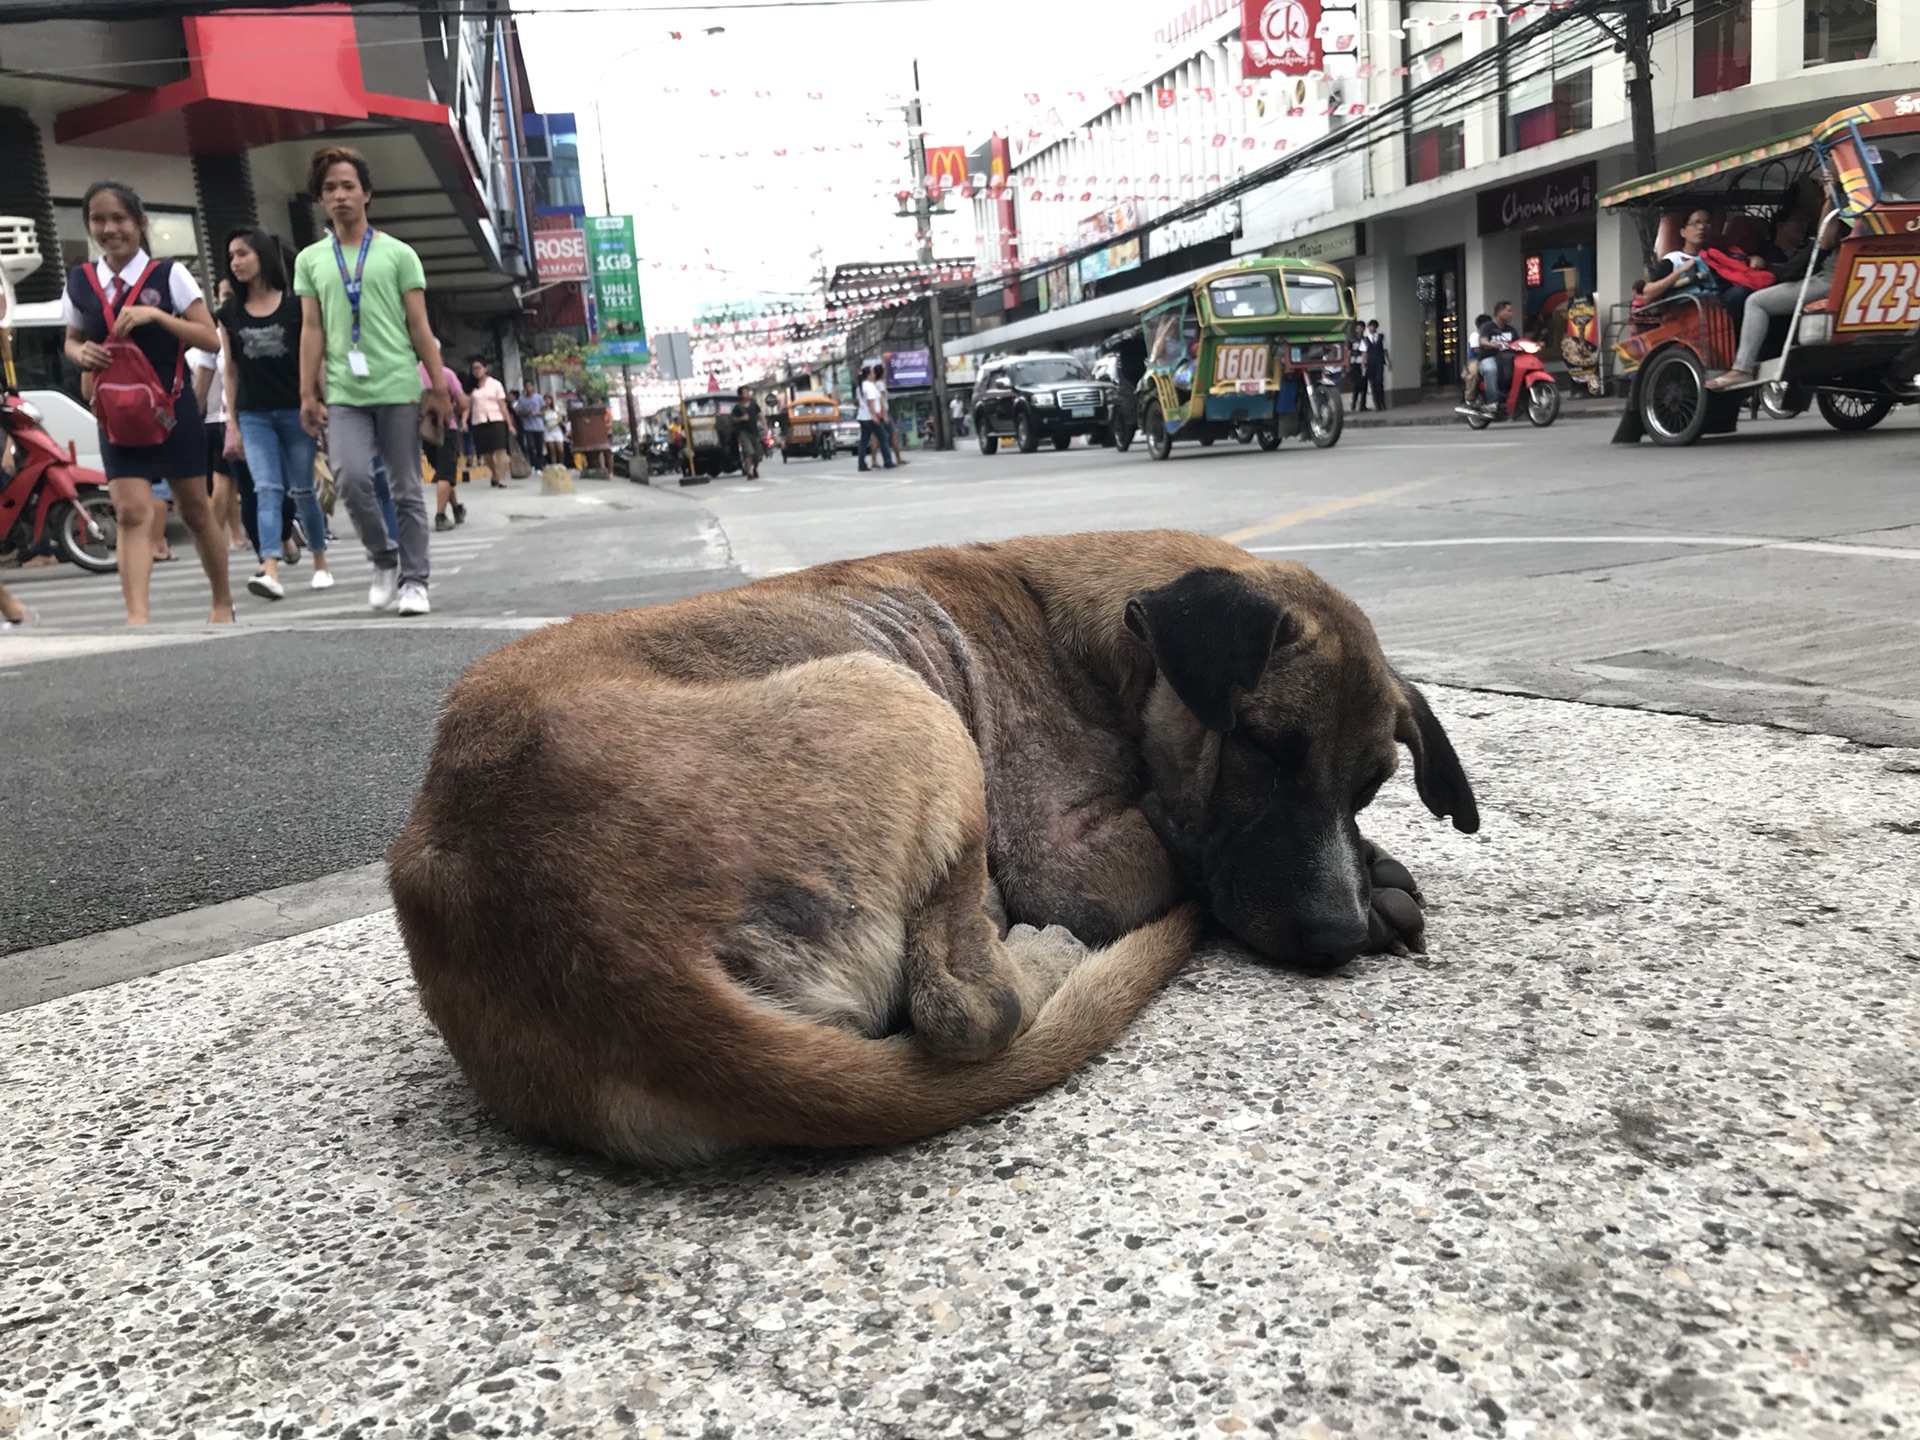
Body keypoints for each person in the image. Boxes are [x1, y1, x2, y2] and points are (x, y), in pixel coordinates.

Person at [61, 179, 234, 626]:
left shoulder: (168, 274)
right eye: (98, 220)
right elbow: (72, 340)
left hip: (171, 408)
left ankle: (221, 602)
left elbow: (208, 336)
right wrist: (82, 354)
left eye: (119, 218)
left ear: (140, 223)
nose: (109, 228)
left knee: (195, 509)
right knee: (131, 512)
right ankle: (137, 616)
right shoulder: (80, 280)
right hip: (115, 413)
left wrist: (157, 316)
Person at [295, 144, 452, 617]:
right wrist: (306, 391)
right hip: (344, 392)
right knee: (352, 478)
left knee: (406, 488)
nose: (339, 196)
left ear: (367, 193)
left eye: (348, 186)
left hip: (399, 387)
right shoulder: (311, 260)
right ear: (321, 199)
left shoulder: (398, 254)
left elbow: (419, 325)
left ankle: (415, 581)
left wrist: (439, 387)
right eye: (329, 188)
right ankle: (384, 559)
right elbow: (312, 328)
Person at [220, 227, 334, 601]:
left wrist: (321, 400)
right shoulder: (229, 313)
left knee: (302, 490)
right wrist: (233, 423)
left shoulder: (295, 306)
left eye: (243, 254)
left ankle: (320, 561)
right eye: (232, 255)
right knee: (266, 489)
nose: (235, 262)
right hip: (253, 415)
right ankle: (269, 569)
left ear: (263, 257)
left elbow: (313, 358)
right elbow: (231, 370)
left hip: (296, 410)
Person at [1709, 213, 1849, 389]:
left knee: (1755, 301)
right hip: (1861, 279)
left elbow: (1825, 241)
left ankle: (1742, 369)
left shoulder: (1850, 209)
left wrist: (1830, 197)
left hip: (1832, 281)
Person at [424, 355, 469, 530]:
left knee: (443, 472)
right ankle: (440, 516)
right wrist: (454, 408)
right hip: (446, 428)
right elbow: (463, 402)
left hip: (425, 431)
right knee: (445, 474)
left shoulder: (412, 374)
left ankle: (457, 509)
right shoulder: (445, 373)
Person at [1641, 209, 1718, 303]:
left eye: (1707, 223)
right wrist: (1680, 271)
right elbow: (1647, 292)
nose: (1702, 227)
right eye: (1696, 223)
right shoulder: (1673, 259)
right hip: (1685, 310)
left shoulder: (1716, 258)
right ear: (1683, 232)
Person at [466, 359, 516, 487]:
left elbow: (502, 405)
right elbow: (466, 406)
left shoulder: (495, 384)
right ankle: (494, 472)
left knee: (500, 449)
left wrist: (509, 424)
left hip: (496, 419)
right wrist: (463, 421)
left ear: (485, 368)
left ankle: (501, 478)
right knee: (485, 452)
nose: (476, 371)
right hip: (478, 421)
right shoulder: (471, 386)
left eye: (479, 368)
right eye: (474, 369)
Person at [1473, 301, 1518, 407]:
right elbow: (1483, 341)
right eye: (1509, 311)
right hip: (1490, 358)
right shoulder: (1487, 327)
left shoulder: (1511, 330)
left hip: (1508, 359)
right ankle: (1492, 402)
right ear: (1499, 312)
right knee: (1490, 369)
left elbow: (1518, 343)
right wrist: (1492, 345)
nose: (1511, 314)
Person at [857, 364, 896, 471]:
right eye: (872, 373)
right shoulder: (869, 386)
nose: (874, 375)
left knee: (864, 441)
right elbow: (870, 402)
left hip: (862, 416)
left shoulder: (861, 386)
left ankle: (861, 464)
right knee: (883, 436)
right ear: (868, 375)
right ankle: (887, 461)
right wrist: (875, 416)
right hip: (869, 418)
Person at [729, 385, 762, 477]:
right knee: (748, 453)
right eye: (744, 392)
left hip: (754, 432)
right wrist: (741, 418)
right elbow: (732, 418)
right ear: (740, 395)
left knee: (757, 454)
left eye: (748, 392)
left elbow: (761, 415)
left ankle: (755, 469)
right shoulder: (737, 407)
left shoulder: (754, 405)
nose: (747, 394)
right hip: (744, 433)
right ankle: (749, 472)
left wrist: (766, 427)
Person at [513, 379, 545, 470]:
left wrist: (536, 413)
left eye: (530, 386)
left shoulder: (538, 398)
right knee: (530, 446)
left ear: (533, 387)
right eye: (526, 387)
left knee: (539, 447)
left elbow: (544, 411)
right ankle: (533, 464)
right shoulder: (522, 399)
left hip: (539, 426)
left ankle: (540, 465)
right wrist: (526, 413)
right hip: (528, 426)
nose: (528, 388)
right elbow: (518, 412)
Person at [1364, 319, 1389, 412]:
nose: (1371, 328)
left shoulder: (1381, 337)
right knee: (1373, 384)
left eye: (1373, 326)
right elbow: (1364, 353)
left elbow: (1385, 349)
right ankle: (1377, 404)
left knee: (1379, 382)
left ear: (1376, 327)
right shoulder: (1365, 339)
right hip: (1369, 363)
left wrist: (1388, 361)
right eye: (1370, 326)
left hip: (1379, 362)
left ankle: (1382, 401)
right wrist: (1363, 364)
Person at [1346, 321, 1369, 411]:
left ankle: (1363, 405)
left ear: (1364, 329)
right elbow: (1348, 353)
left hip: (1364, 363)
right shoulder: (1352, 340)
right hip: (1354, 363)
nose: (1359, 330)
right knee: (1357, 384)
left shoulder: (1366, 340)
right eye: (1358, 328)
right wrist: (1347, 365)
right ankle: (1354, 402)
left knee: (1364, 384)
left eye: (1361, 328)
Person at [542, 395, 567, 465]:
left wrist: (555, 423)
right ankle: (554, 465)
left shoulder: (555, 408)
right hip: (548, 431)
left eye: (548, 400)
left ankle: (562, 464)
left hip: (556, 430)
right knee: (552, 451)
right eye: (545, 400)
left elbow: (560, 417)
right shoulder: (543, 409)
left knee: (560, 450)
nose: (547, 402)